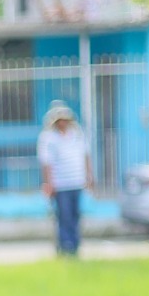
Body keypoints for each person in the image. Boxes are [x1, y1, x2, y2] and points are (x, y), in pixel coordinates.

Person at [37, 102, 93, 257]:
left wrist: (89, 176)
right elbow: (46, 162)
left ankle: (75, 246)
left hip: (76, 180)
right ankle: (65, 246)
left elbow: (86, 155)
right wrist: (49, 183)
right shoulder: (48, 138)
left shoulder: (78, 135)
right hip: (60, 184)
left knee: (75, 215)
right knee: (64, 216)